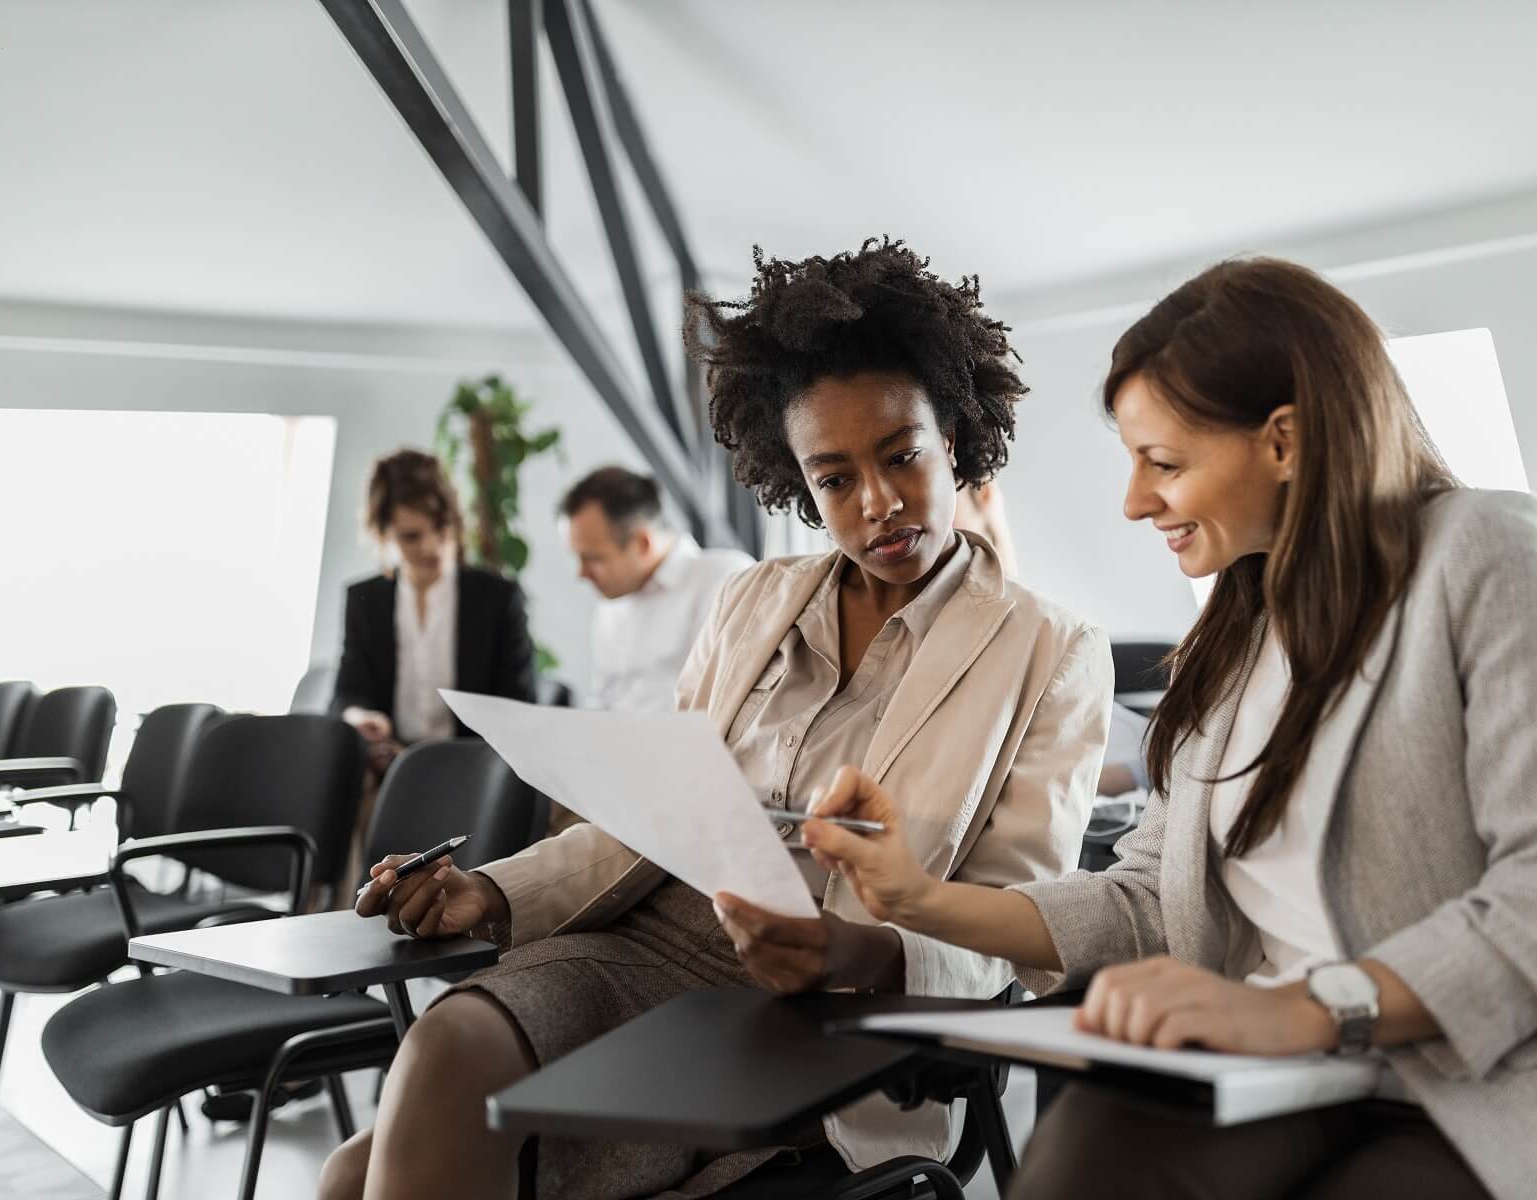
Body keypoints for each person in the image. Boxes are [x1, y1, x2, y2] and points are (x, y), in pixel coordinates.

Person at [802, 258, 1537, 1198]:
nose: (1133, 501)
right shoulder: (1235, 636)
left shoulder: (1489, 554)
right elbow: (1146, 907)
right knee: (1084, 1156)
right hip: (1290, 1072)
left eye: (1162, 463)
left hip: (1504, 1080)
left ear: (1284, 442)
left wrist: (1305, 1010)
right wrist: (913, 899)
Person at [318, 238, 1112, 1200]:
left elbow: (1021, 921)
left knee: (359, 1175)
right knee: (444, 1046)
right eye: (833, 477)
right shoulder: (753, 603)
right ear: (798, 480)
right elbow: (652, 819)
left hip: (813, 1008)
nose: (877, 503)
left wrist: (849, 951)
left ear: (955, 435)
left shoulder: (1050, 648)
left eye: (901, 455)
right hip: (642, 940)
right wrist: (487, 893)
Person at [334, 448, 539, 761]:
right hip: (388, 763)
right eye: (411, 536)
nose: (431, 548)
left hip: (471, 767)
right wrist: (359, 717)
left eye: (441, 528)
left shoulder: (497, 599)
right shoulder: (365, 601)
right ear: (384, 533)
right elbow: (348, 692)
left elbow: (518, 705)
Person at [559, 465, 754, 713]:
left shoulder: (724, 578)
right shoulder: (610, 602)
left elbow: (723, 700)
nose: (581, 574)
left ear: (642, 543)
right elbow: (602, 700)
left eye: (594, 559)